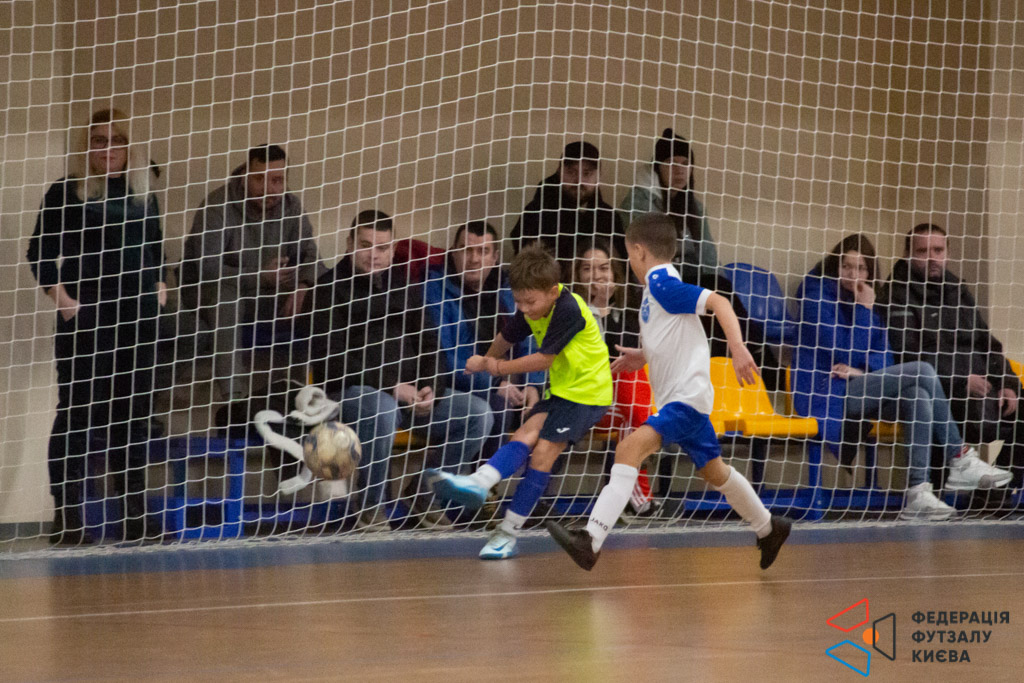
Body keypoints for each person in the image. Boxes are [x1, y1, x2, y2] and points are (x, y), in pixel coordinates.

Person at [546, 214, 792, 571]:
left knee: (628, 449)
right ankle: (769, 528)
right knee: (715, 472)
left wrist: (738, 348)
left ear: (640, 252)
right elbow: (673, 337)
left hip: (684, 400)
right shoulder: (655, 290)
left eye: (628, 255)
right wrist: (642, 356)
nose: (629, 263)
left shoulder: (661, 283)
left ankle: (591, 538)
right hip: (687, 400)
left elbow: (720, 302)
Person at [792, 234, 1012, 520]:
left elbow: (884, 356)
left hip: (860, 385)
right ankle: (960, 456)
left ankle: (918, 492)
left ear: (870, 271)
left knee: (917, 396)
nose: (854, 275)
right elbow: (840, 348)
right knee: (922, 370)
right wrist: (863, 311)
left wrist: (861, 370)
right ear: (835, 267)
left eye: (861, 268)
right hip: (826, 392)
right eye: (846, 266)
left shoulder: (868, 299)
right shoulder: (815, 298)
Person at [26, 108, 166, 544]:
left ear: (129, 146)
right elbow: (38, 252)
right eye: (99, 140)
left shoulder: (143, 192)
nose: (108, 148)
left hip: (137, 318)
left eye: (116, 140)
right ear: (87, 147)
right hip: (87, 320)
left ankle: (134, 516)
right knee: (77, 415)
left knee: (133, 417)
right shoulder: (66, 192)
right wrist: (63, 300)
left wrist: (160, 286)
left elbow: (156, 247)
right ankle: (67, 516)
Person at [304, 210, 493, 530]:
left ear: (393, 249)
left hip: (410, 397)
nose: (374, 255)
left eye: (382, 247)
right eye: (366, 245)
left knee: (478, 414)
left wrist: (431, 388)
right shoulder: (326, 290)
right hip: (348, 396)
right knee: (383, 408)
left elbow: (431, 345)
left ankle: (425, 495)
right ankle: (370, 505)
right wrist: (393, 387)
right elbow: (331, 361)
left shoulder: (405, 286)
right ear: (349, 244)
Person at [425, 246, 613, 559]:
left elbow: (543, 359)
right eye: (518, 301)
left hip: (588, 396)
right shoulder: (532, 307)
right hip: (564, 391)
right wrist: (484, 359)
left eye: (530, 302)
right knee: (524, 434)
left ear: (552, 291)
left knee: (542, 455)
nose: (524, 309)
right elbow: (507, 336)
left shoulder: (568, 309)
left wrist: (498, 368)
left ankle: (507, 533)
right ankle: (480, 482)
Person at [619, 128, 780, 388]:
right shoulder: (639, 202)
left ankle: (744, 368)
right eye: (671, 163)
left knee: (719, 288)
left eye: (685, 164)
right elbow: (648, 255)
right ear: (657, 167)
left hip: (690, 280)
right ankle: (763, 365)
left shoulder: (694, 208)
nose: (679, 170)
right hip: (658, 283)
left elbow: (708, 260)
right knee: (717, 295)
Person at [879, 223, 1024, 491]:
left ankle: (998, 490)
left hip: (982, 390)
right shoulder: (895, 294)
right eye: (923, 251)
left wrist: (1008, 383)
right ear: (907, 255)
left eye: (938, 250)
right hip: (942, 391)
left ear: (948, 253)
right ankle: (948, 483)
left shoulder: (958, 290)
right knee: (930, 398)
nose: (932, 257)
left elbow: (987, 343)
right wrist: (960, 381)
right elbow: (907, 355)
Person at [179, 144, 322, 405]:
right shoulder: (217, 206)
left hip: (267, 294)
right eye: (259, 179)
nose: (268, 188)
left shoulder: (291, 206)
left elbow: (312, 256)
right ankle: (233, 400)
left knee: (321, 293)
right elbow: (206, 269)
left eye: (277, 180)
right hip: (208, 295)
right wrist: (260, 276)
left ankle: (312, 397)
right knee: (226, 297)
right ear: (245, 175)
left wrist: (304, 284)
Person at [422, 220, 545, 460]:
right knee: (497, 408)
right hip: (461, 385)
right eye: (467, 250)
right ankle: (484, 482)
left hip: (511, 383)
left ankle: (537, 485)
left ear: (495, 257)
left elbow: (530, 340)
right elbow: (442, 357)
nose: (474, 259)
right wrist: (494, 383)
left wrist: (533, 384)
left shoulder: (508, 289)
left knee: (552, 411)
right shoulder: (436, 290)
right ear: (453, 252)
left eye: (483, 251)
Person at [571, 240, 659, 517]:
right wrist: (598, 305)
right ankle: (636, 498)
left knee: (632, 415)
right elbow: (598, 356)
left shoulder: (631, 306)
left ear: (615, 273)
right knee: (636, 410)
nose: (596, 276)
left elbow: (627, 352)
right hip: (586, 399)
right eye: (587, 269)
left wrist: (607, 307)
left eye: (603, 268)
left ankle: (627, 497)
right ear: (577, 275)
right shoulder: (572, 310)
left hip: (622, 404)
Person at [510, 141, 626, 275]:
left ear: (598, 176)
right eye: (572, 172)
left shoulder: (609, 217)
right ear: (559, 172)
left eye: (587, 173)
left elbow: (621, 268)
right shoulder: (536, 212)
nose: (579, 181)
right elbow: (527, 270)